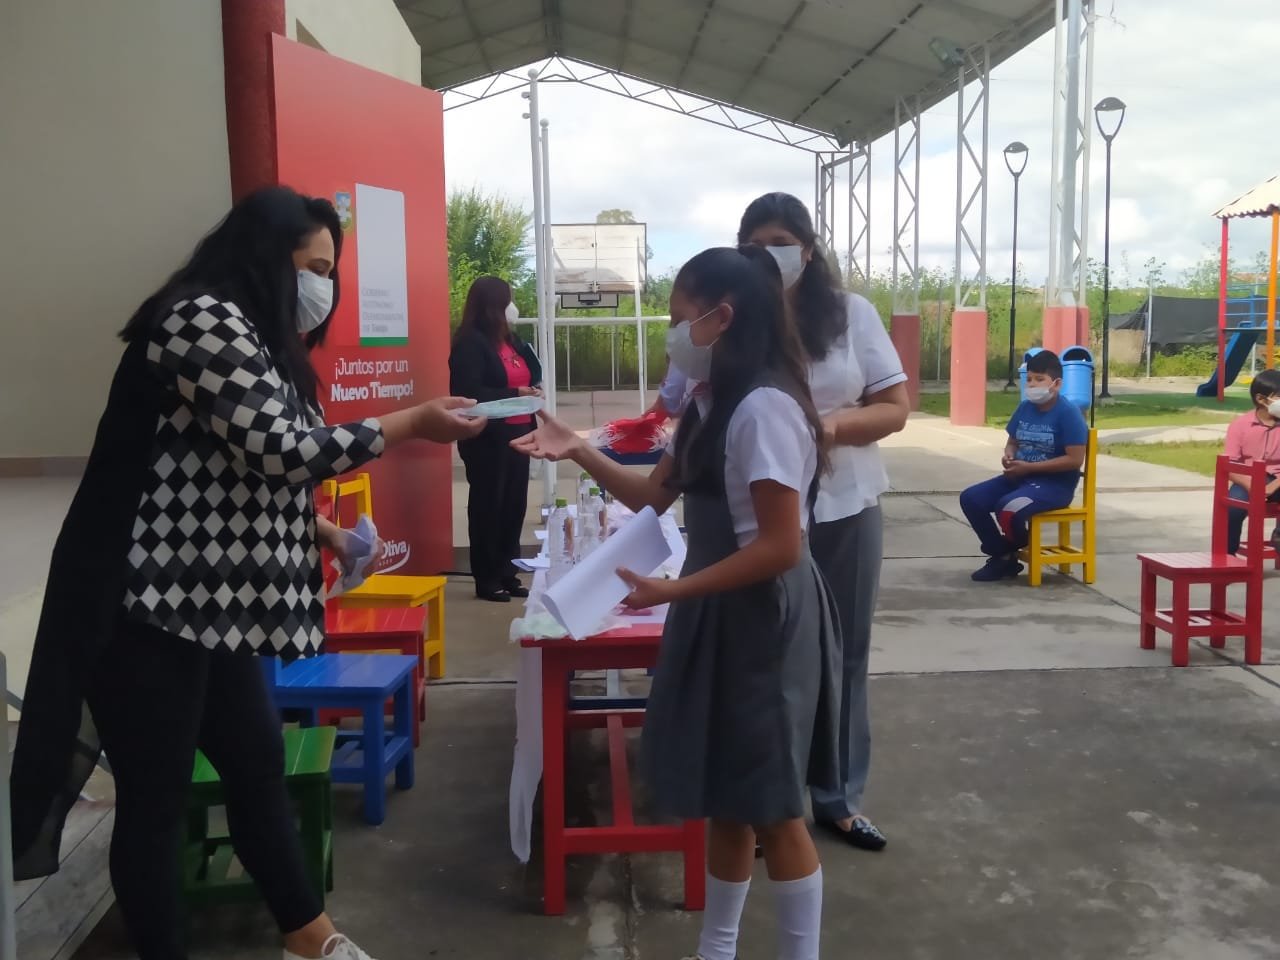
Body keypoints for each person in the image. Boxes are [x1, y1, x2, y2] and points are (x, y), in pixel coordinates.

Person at [7, 186, 485, 960]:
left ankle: (312, 939)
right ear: (264, 254)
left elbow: (225, 472)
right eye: (312, 266)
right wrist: (413, 421)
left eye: (330, 270)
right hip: (143, 603)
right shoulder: (198, 317)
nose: (323, 286)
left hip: (205, 604)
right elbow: (281, 452)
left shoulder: (257, 337)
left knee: (257, 766)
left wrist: (325, 531)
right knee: (156, 802)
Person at [512, 245, 841, 960]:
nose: (672, 335)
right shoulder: (709, 401)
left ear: (722, 318)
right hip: (721, 608)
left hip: (764, 621)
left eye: (679, 317)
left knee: (776, 809)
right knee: (728, 797)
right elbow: (651, 496)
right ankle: (715, 950)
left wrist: (675, 589)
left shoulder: (765, 408)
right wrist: (577, 448)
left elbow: (780, 546)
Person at [739, 191, 909, 853]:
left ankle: (839, 798)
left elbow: (894, 408)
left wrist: (827, 427)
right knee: (768, 658)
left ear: (808, 250)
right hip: (761, 512)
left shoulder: (849, 314)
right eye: (755, 245)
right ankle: (769, 806)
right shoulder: (736, 315)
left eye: (782, 243)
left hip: (846, 506)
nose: (770, 255)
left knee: (846, 655)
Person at [448, 276, 543, 602]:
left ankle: (508, 571)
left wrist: (532, 391)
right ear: (493, 306)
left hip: (521, 431)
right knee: (489, 505)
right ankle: (487, 578)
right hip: (488, 437)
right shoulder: (470, 344)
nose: (512, 307)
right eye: (508, 300)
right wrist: (515, 392)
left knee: (514, 505)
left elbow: (527, 373)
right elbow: (468, 393)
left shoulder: (512, 341)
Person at [959, 349, 1088, 581]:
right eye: (1029, 379)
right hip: (1019, 477)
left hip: (1054, 486)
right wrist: (1009, 455)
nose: (1032, 384)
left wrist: (1029, 468)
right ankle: (1004, 555)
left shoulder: (1068, 413)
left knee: (1008, 507)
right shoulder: (1025, 408)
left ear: (1057, 383)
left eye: (1039, 379)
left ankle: (1005, 553)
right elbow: (1012, 442)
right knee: (971, 498)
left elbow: (1075, 459)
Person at [1223, 367, 1280, 553]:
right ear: (1261, 399)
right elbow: (1230, 465)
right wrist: (1252, 486)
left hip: (1278, 481)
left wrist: (1271, 487)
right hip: (1247, 480)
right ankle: (1228, 555)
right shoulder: (1240, 425)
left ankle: (1278, 536)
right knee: (1233, 508)